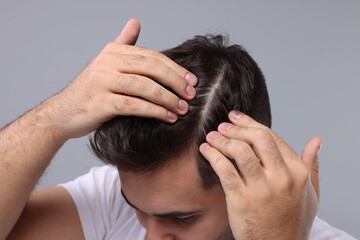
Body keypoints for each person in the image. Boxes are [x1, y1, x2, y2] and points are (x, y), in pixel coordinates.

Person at [0, 19, 355, 240]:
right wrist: (54, 118)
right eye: (137, 208)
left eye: (182, 219)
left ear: (249, 180)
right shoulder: (114, 201)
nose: (150, 237)